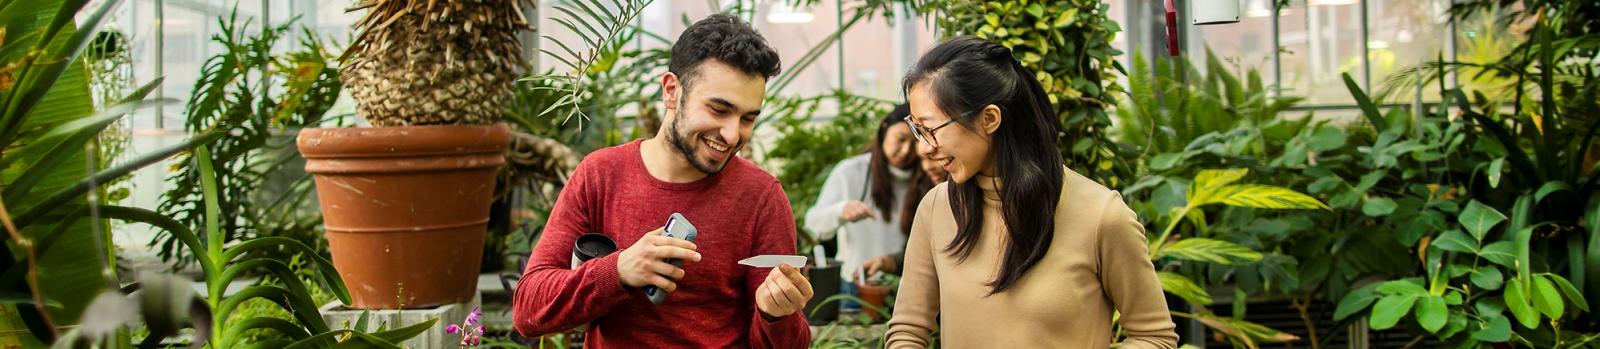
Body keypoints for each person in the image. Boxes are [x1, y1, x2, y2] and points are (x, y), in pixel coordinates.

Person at [513, 14, 812, 348]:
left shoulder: (761, 197)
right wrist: (618, 271)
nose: (731, 135)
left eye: (747, 118)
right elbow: (529, 310)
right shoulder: (599, 175)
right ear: (672, 91)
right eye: (718, 109)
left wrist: (776, 315)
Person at [884, 36, 1179, 348]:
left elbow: (1154, 337)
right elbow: (907, 331)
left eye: (930, 129)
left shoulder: (1101, 216)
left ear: (989, 119)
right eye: (917, 128)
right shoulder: (937, 209)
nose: (923, 149)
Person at [804, 104, 917, 304]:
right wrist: (841, 211)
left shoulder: (926, 177)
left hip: (905, 288)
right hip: (855, 287)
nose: (906, 150)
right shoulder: (852, 171)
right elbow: (813, 226)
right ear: (884, 129)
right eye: (900, 139)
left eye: (915, 142)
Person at [857, 142, 946, 277]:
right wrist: (885, 262)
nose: (928, 167)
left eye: (933, 158)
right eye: (922, 159)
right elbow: (920, 254)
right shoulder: (928, 197)